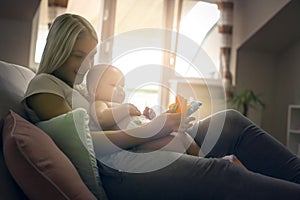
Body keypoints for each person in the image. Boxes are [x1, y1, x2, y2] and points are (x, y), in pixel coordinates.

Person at [22, 13, 300, 200]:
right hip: (119, 168)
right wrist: (152, 131)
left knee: (230, 121)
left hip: (135, 148)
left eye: (91, 57)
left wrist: (156, 121)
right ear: (57, 49)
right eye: (78, 56)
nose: (86, 65)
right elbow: (84, 143)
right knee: (221, 173)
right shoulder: (45, 86)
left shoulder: (79, 88)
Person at [86, 64, 202, 156]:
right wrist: (125, 109)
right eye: (114, 85)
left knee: (183, 136)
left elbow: (138, 122)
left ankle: (203, 160)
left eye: (122, 86)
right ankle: (195, 166)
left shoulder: (119, 105)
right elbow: (101, 118)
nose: (120, 90)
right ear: (94, 90)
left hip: (148, 133)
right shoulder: (100, 103)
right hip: (137, 143)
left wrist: (147, 117)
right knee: (176, 142)